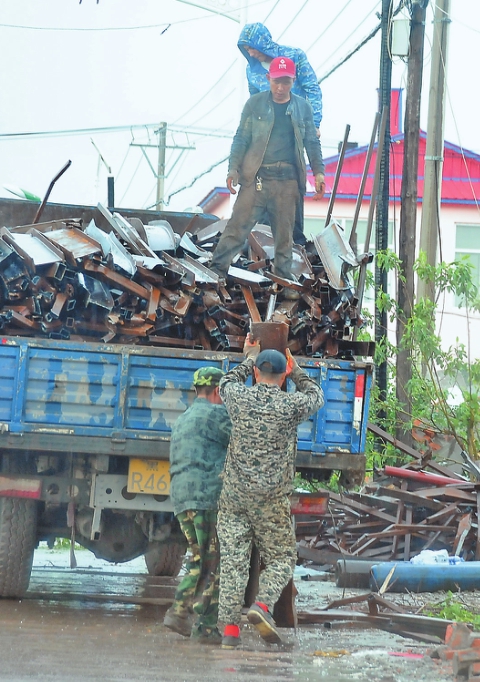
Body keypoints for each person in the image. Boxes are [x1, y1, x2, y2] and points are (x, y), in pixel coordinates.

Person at [216, 338, 324, 649]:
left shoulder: (238, 397)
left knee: (233, 563)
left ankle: (230, 633)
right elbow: (316, 396)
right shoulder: (291, 405)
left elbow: (225, 382)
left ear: (256, 374)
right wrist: (298, 370)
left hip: (234, 497)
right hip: (271, 499)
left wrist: (247, 358)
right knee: (282, 557)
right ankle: (262, 606)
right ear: (283, 374)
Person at [209, 56, 325, 287]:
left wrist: (319, 173)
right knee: (237, 227)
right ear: (267, 79)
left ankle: (282, 282)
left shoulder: (303, 108)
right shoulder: (255, 105)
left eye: (286, 82)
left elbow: (312, 141)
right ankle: (215, 272)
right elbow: (241, 138)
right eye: (276, 82)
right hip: (257, 179)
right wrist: (233, 169)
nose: (280, 87)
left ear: (293, 81)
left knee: (285, 238)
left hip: (287, 182)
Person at [237, 24, 324, 246]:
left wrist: (314, 123)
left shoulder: (295, 57)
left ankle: (294, 240)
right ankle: (266, 239)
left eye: (253, 48)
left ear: (262, 42)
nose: (251, 53)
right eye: (247, 49)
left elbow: (312, 88)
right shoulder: (253, 71)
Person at [163, 366, 232, 644]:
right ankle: (185, 615)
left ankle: (201, 623)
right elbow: (243, 442)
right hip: (206, 497)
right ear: (218, 391)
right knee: (210, 562)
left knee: (200, 557)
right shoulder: (217, 415)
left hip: (181, 498)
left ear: (195, 390)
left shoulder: (183, 418)